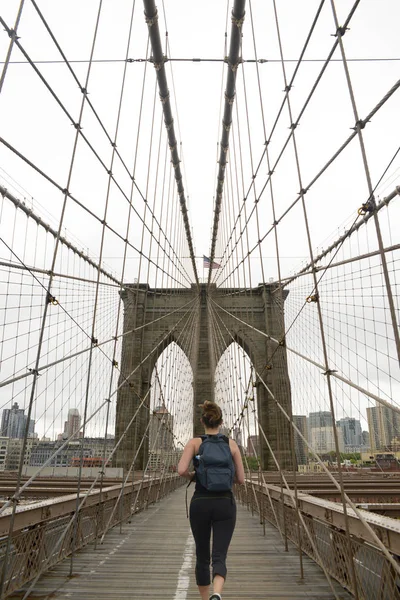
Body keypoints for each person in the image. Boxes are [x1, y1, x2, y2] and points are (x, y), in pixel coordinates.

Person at [178, 401, 245, 600]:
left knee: (202, 555)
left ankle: (206, 599)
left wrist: (195, 476)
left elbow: (181, 470)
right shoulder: (231, 444)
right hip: (225, 503)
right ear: (221, 422)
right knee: (219, 555)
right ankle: (217, 592)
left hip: (200, 502)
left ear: (202, 421)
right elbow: (241, 479)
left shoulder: (194, 443)